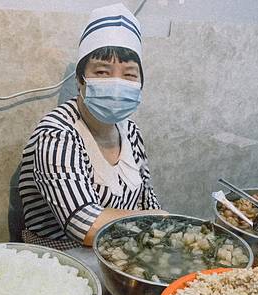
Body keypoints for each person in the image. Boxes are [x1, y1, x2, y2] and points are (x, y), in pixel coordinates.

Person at [19, 3, 163, 250]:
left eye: (129, 74)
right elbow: (85, 225)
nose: (117, 83)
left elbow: (147, 201)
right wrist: (162, 222)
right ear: (80, 80)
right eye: (103, 72)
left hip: (120, 252)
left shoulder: (131, 132)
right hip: (61, 258)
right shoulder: (57, 134)